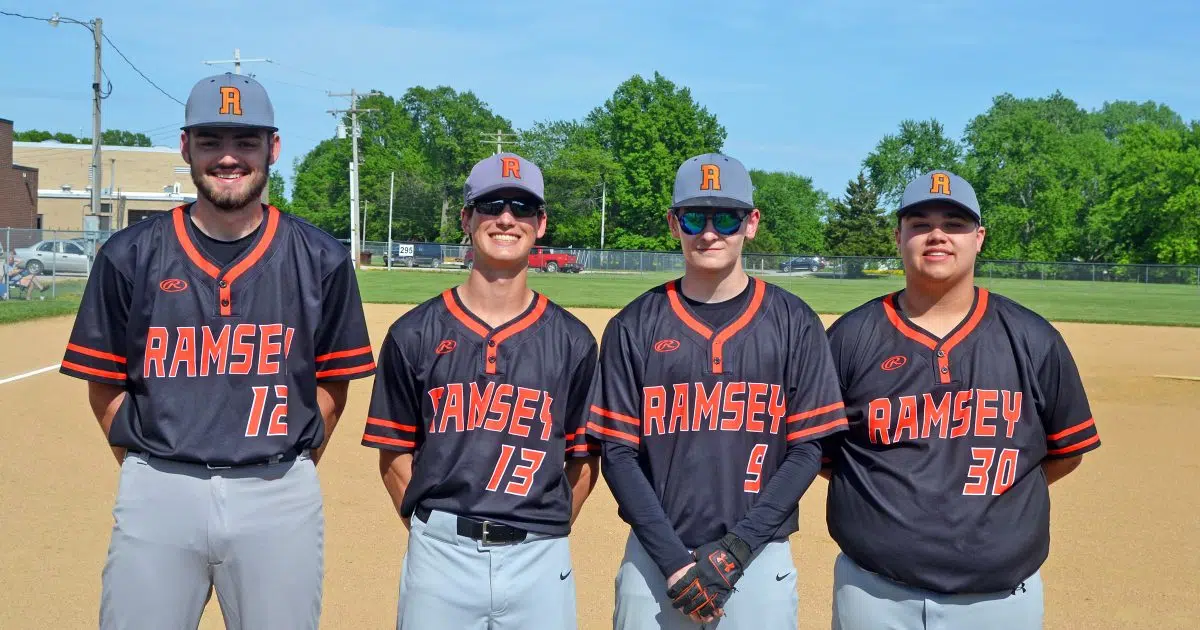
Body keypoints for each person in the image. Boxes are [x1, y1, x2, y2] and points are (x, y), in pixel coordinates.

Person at [59, 72, 376, 630]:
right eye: (210, 141)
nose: (228, 158)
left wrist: (286, 465)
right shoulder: (129, 255)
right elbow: (104, 384)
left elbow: (332, 383)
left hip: (278, 489)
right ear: (185, 147)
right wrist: (153, 467)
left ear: (273, 147)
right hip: (159, 486)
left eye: (245, 142)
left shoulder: (321, 258)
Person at [821, 170, 1102, 630]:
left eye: (954, 224)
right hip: (873, 593)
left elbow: (1065, 452)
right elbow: (826, 455)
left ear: (979, 237)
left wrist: (996, 503)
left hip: (1001, 600)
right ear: (898, 237)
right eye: (920, 223)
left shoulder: (1033, 338)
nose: (937, 236)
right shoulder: (850, 339)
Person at [585, 153, 848, 629]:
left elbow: (807, 450)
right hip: (655, 559)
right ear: (673, 223)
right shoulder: (634, 324)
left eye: (726, 217)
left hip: (760, 555)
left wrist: (736, 551)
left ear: (751, 224)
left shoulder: (794, 322)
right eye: (694, 217)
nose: (710, 232)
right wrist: (673, 562)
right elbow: (618, 455)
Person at [361, 152, 601, 630]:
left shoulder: (573, 341)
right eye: (491, 205)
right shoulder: (414, 333)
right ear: (467, 219)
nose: (507, 218)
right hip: (441, 556)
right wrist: (435, 535)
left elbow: (585, 459)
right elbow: (394, 455)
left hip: (539, 556)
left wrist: (543, 529)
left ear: (541, 223)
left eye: (522, 207)